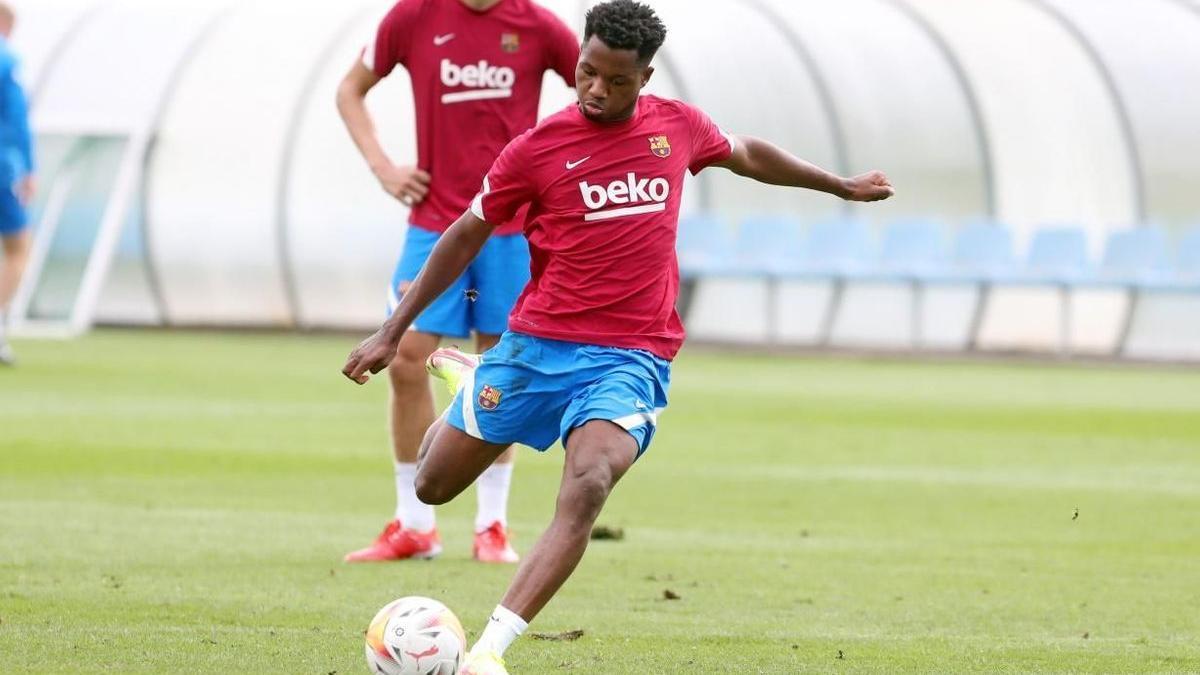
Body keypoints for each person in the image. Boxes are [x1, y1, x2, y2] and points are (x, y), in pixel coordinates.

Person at [342, 1, 894, 671]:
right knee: (432, 487)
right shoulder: (538, 149)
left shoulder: (677, 129)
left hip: (629, 356)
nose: (597, 90)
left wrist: (836, 185)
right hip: (536, 347)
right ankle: (475, 379)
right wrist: (391, 332)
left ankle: (489, 650)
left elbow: (744, 153)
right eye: (586, 73)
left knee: (590, 479)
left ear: (646, 77)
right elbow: (465, 232)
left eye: (616, 80)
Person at [336, 0, 580, 563]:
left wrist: (563, 172)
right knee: (405, 357)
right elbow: (350, 90)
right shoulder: (413, 17)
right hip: (436, 222)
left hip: (514, 228)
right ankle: (414, 523)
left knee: (503, 367)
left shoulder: (538, 26)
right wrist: (384, 168)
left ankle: (492, 526)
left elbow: (598, 94)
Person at [0, 2, 35, 367]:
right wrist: (29, 168)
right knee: (17, 248)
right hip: (1, 168)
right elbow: (17, 119)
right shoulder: (7, 61)